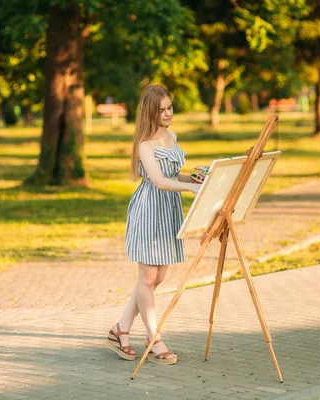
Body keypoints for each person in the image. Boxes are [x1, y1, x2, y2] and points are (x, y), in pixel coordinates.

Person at [105, 85, 202, 365]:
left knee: (156, 278)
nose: (167, 113)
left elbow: (171, 174)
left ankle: (120, 329)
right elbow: (158, 181)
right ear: (149, 112)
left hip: (169, 210)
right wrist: (189, 190)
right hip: (149, 211)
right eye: (161, 110)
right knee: (147, 279)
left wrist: (193, 180)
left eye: (170, 107)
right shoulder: (144, 145)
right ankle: (154, 338)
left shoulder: (172, 136)